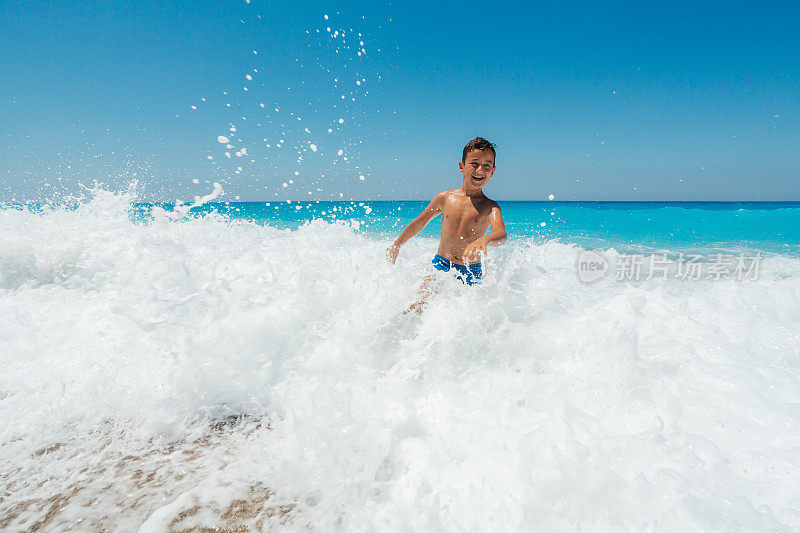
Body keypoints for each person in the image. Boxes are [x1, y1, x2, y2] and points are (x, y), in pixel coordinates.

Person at [386, 137, 507, 312]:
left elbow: (501, 235)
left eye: (487, 165)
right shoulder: (445, 198)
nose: (480, 169)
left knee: (461, 316)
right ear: (461, 166)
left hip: (470, 271)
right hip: (442, 264)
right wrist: (397, 244)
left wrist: (485, 240)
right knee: (418, 304)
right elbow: (420, 222)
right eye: (474, 163)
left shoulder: (490, 207)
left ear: (493, 171)